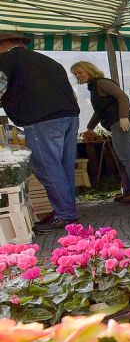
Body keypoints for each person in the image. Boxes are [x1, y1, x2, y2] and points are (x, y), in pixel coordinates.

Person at [0, 32, 80, 233]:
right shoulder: (49, 61)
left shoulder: (6, 60)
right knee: (64, 168)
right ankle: (66, 209)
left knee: (48, 168)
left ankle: (65, 214)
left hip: (41, 119)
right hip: (69, 117)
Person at [71, 61, 130, 203]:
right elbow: (100, 111)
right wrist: (90, 127)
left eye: (80, 72)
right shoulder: (94, 87)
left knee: (125, 155)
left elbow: (123, 97)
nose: (78, 76)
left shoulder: (101, 83)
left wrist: (124, 117)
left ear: (89, 70)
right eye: (75, 74)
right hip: (116, 124)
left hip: (122, 123)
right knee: (122, 156)